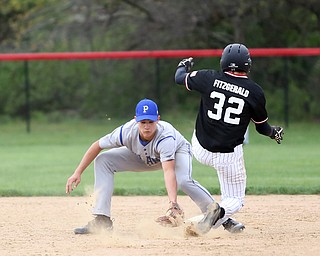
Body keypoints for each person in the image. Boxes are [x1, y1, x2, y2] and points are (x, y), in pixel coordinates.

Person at [174, 43, 284, 235]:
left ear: (223, 62)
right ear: (248, 65)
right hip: (228, 156)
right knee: (235, 198)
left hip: (200, 148)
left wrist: (183, 65)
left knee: (204, 123)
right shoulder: (255, 91)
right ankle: (219, 212)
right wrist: (273, 132)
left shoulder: (208, 77)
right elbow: (262, 128)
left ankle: (223, 220)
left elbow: (178, 78)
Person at [66, 98, 215, 234]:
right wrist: (77, 172)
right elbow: (97, 145)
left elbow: (169, 170)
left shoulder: (166, 137)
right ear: (135, 120)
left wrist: (173, 203)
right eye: (143, 122)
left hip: (176, 153)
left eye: (150, 122)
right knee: (103, 160)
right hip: (143, 155)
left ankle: (214, 211)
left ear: (158, 119)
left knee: (184, 181)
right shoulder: (126, 131)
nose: (147, 126)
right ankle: (102, 219)